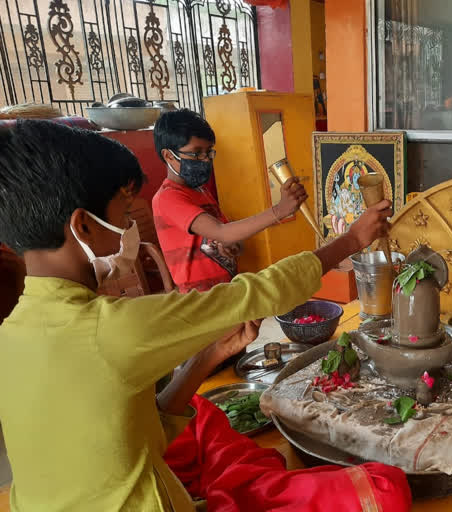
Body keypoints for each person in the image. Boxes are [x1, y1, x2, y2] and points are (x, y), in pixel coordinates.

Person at [0, 120, 396, 511]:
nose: (130, 228)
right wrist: (350, 239)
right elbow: (258, 292)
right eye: (124, 214)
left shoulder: (12, 333)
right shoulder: (109, 328)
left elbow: (136, 434)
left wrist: (207, 357)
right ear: (83, 226)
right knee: (382, 489)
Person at [152, 108, 308, 293]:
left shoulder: (201, 191)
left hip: (224, 290)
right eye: (196, 153)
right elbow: (222, 232)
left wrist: (233, 246)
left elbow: (228, 236)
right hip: (200, 300)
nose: (204, 160)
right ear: (169, 155)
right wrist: (279, 210)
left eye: (208, 152)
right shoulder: (168, 198)